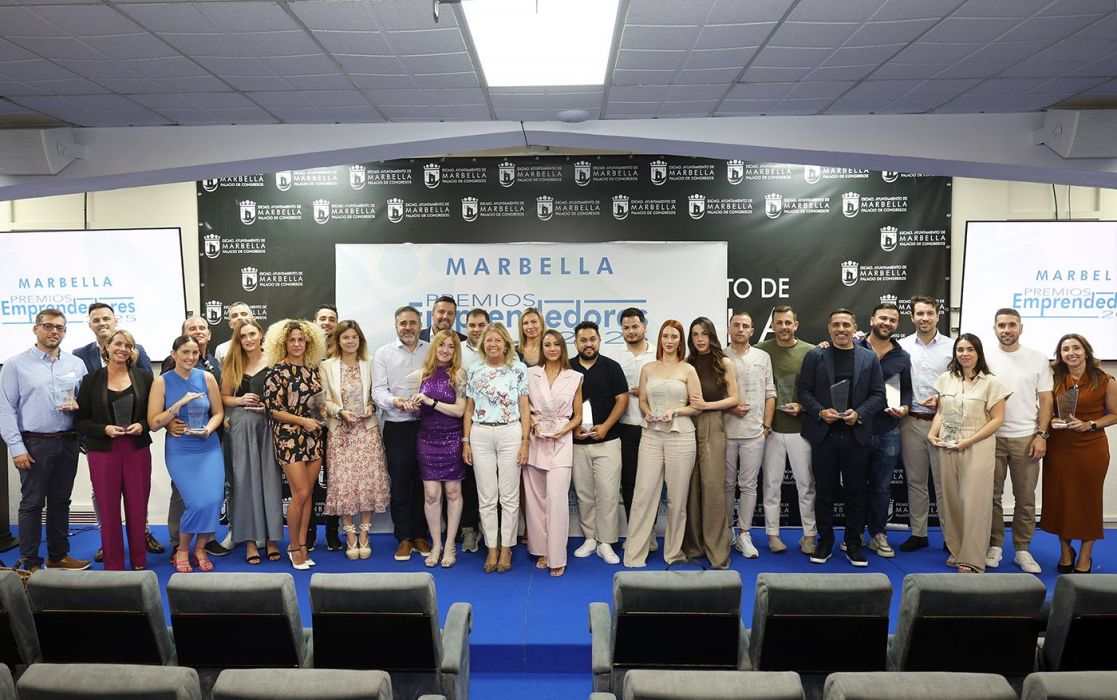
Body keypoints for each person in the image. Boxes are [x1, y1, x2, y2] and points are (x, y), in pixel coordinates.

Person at [0, 308, 90, 573]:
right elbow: (5, 409)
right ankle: (30, 562)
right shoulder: (15, 365)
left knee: (61, 502)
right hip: (34, 444)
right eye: (49, 326)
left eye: (60, 327)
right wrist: (16, 448)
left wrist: (80, 407)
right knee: (32, 504)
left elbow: (87, 403)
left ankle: (58, 556)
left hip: (68, 441)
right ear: (36, 329)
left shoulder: (76, 364)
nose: (54, 332)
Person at [798, 308, 886, 567]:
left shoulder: (869, 358)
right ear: (829, 328)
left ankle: (853, 544)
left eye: (846, 324)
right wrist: (819, 412)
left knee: (856, 493)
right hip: (824, 435)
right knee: (824, 493)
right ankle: (825, 542)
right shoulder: (815, 356)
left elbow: (879, 395)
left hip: (856, 435)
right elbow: (804, 392)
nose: (841, 329)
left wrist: (859, 414)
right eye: (836, 324)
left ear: (854, 327)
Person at [623, 320, 703, 568]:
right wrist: (647, 412)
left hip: (681, 436)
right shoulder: (648, 368)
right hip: (651, 434)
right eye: (665, 336)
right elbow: (642, 401)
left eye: (674, 337)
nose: (669, 341)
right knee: (643, 495)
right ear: (660, 339)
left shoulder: (688, 369)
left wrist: (676, 412)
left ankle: (673, 553)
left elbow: (697, 406)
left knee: (677, 500)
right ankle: (635, 554)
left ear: (680, 341)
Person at [927, 334, 1010, 574]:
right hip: (947, 443)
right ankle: (956, 551)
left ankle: (973, 558)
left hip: (977, 444)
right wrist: (932, 433)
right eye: (960, 349)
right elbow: (940, 413)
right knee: (950, 500)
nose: (965, 354)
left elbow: (997, 420)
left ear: (978, 353)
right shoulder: (945, 379)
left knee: (975, 503)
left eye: (970, 349)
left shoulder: (992, 383)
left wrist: (969, 441)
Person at [75, 330, 153, 570]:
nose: (123, 349)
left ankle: (139, 560)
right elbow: (81, 421)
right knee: (108, 510)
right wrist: (104, 429)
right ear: (107, 347)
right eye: (118, 344)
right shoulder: (91, 380)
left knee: (138, 506)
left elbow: (153, 415)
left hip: (136, 449)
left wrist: (143, 425)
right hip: (103, 451)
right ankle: (113, 564)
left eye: (128, 345)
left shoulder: (144, 377)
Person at [148, 334, 225, 573]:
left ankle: (200, 548)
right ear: (174, 354)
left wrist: (208, 429)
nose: (190, 357)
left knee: (213, 500)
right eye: (185, 352)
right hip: (181, 450)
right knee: (195, 502)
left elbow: (218, 413)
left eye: (194, 353)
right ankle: (182, 549)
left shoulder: (207, 377)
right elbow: (154, 423)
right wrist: (179, 404)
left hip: (209, 447)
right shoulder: (162, 382)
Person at [984, 308, 1053, 573]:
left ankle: (1022, 549)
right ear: (994, 329)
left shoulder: (1037, 358)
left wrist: (1041, 435)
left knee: (1025, 497)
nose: (1007, 330)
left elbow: (1045, 400)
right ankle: (995, 545)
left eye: (1012, 325)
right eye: (1001, 325)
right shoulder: (985, 357)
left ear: (1020, 328)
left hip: (1026, 437)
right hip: (991, 437)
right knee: (991, 496)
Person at [1041, 334, 1115, 574]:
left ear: (1086, 351)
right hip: (1059, 448)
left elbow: (1115, 414)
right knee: (1061, 501)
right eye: (1065, 349)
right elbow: (1043, 408)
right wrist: (1051, 421)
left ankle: (1085, 556)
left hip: (1090, 448)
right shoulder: (1052, 378)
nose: (1071, 353)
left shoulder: (1104, 380)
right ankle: (1065, 553)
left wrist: (1090, 424)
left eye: (1076, 348)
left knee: (1087, 503)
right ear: (1060, 354)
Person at [463, 323, 530, 573]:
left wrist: (525, 441)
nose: (493, 344)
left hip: (510, 432)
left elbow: (525, 407)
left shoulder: (518, 369)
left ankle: (507, 548)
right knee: (487, 496)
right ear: (483, 344)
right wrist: (466, 441)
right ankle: (491, 547)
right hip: (480, 434)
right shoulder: (475, 369)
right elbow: (469, 408)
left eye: (497, 340)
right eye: (489, 340)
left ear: (506, 344)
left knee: (509, 497)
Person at [321, 320, 390, 562]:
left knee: (369, 482)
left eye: (354, 337)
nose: (350, 341)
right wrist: (340, 412)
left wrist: (372, 406)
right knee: (344, 484)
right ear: (338, 341)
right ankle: (350, 535)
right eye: (346, 337)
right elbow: (324, 400)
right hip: (341, 432)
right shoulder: (327, 366)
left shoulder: (370, 363)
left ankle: (364, 534)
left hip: (367, 431)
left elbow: (376, 393)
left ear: (360, 340)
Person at [262, 319, 327, 570]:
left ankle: (302, 544)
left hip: (313, 437)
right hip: (289, 438)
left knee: (308, 493)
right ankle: (294, 547)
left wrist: (319, 419)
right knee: (299, 493)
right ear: (283, 343)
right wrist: (303, 421)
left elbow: (319, 405)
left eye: (301, 339)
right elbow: (272, 410)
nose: (297, 344)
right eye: (292, 340)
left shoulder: (313, 370)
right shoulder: (276, 371)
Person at [163, 314, 228, 558]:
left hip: (210, 438)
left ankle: (206, 540)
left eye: (202, 328)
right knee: (183, 495)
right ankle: (176, 543)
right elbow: (164, 404)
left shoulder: (214, 364)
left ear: (209, 334)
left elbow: (219, 403)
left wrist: (213, 427)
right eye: (192, 327)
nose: (198, 331)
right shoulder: (172, 366)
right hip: (183, 444)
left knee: (211, 494)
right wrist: (169, 425)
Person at [755, 305, 818, 555]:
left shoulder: (811, 351)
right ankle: (773, 535)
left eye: (788, 322)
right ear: (772, 325)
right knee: (771, 485)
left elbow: (819, 389)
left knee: (806, 485)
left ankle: (809, 535)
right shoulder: (760, 351)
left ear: (796, 325)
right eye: (779, 322)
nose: (783, 327)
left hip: (801, 430)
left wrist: (802, 406)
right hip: (770, 430)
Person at [219, 318, 283, 565]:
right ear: (238, 339)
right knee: (244, 482)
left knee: (270, 481)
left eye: (252, 334)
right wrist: (240, 400)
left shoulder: (275, 360)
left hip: (268, 426)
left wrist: (268, 407)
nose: (248, 339)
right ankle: (249, 542)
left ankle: (271, 539)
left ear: (260, 335)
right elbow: (224, 397)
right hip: (242, 428)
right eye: (243, 336)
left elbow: (283, 396)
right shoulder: (232, 363)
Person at [372, 306, 432, 561]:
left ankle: (420, 534)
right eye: (403, 323)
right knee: (399, 483)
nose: (408, 327)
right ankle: (404, 537)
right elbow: (378, 391)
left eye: (412, 323)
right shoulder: (383, 353)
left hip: (428, 425)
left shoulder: (431, 350)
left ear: (420, 325)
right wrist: (395, 402)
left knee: (424, 483)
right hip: (397, 426)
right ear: (396, 325)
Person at [681, 317, 739, 569]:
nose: (700, 339)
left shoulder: (723, 361)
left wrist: (707, 405)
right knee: (691, 486)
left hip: (713, 424)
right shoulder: (686, 364)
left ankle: (717, 550)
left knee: (713, 487)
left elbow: (734, 398)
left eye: (704, 333)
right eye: (695, 334)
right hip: (687, 426)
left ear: (712, 335)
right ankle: (694, 547)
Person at [855, 302, 911, 558]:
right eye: (882, 318)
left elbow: (906, 390)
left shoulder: (902, 357)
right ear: (871, 320)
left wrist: (905, 407)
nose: (887, 323)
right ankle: (854, 533)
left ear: (897, 324)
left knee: (881, 486)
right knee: (855, 485)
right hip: (857, 428)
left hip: (888, 430)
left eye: (892, 320)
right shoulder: (854, 347)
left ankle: (878, 533)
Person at [897, 295, 954, 552]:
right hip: (911, 422)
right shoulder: (902, 346)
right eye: (919, 313)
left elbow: (961, 383)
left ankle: (950, 536)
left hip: (944, 423)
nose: (925, 318)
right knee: (916, 481)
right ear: (912, 317)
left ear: (938, 315)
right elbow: (893, 380)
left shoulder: (953, 347)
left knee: (944, 484)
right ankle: (919, 533)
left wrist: (942, 399)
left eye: (929, 313)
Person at [569, 321, 629, 565]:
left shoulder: (611, 367)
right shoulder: (567, 368)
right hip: (576, 444)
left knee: (608, 493)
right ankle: (590, 539)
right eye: (583, 340)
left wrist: (605, 426)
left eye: (592, 339)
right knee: (584, 495)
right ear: (576, 343)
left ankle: (606, 542)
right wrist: (572, 428)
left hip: (608, 441)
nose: (588, 344)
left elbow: (622, 399)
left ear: (599, 341)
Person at [525, 329, 583, 577]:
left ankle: (557, 555)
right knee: (535, 499)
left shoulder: (575, 376)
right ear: (542, 348)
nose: (551, 349)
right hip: (536, 438)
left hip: (561, 440)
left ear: (562, 348)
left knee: (557, 499)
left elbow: (578, 415)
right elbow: (524, 408)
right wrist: (534, 426)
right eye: (547, 344)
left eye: (556, 344)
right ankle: (542, 550)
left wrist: (563, 430)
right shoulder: (530, 374)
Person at [412, 330, 468, 568]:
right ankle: (436, 545)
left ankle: (450, 545)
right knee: (431, 494)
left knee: (453, 492)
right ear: (434, 347)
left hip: (453, 438)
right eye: (441, 345)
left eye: (451, 346)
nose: (445, 350)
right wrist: (411, 404)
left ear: (456, 351)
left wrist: (431, 402)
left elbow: (460, 410)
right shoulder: (421, 374)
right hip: (427, 439)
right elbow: (415, 406)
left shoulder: (459, 374)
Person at [723, 312, 775, 559]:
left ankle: (744, 533)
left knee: (749, 485)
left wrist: (766, 427)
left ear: (752, 331)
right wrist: (730, 407)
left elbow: (770, 393)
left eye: (745, 326)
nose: (740, 329)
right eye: (736, 325)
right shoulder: (720, 356)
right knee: (726, 484)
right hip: (726, 432)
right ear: (729, 328)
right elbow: (713, 394)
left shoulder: (762, 357)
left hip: (754, 432)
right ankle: (726, 531)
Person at [611, 307, 657, 528]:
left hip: (651, 426)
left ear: (644, 326)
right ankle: (634, 530)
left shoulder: (657, 353)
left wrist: (647, 391)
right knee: (628, 481)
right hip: (624, 426)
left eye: (635, 326)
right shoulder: (614, 355)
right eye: (626, 327)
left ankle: (649, 531)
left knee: (651, 483)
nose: (631, 331)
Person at [457, 307, 489, 552]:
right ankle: (469, 529)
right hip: (461, 422)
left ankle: (494, 534)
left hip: (494, 425)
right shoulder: (457, 350)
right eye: (472, 325)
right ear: (465, 326)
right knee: (467, 480)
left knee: (492, 484)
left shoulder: (500, 348)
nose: (476, 329)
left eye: (481, 325)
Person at [312, 304, 341, 553]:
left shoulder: (343, 350)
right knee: (309, 483)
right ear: (315, 322)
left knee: (335, 480)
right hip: (309, 425)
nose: (327, 323)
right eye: (322, 318)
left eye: (331, 319)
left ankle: (333, 532)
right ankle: (309, 533)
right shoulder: (305, 349)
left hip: (336, 424)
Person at [73, 302, 153, 372]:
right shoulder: (80, 354)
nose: (102, 323)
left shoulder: (136, 350)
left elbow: (148, 381)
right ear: (90, 325)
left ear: (116, 321)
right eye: (96, 320)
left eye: (106, 319)